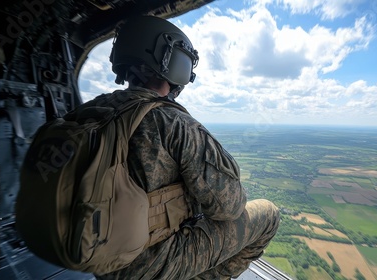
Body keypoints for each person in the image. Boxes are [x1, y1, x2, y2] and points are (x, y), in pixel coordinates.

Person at [95, 15, 280, 280]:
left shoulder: (91, 111)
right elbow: (230, 206)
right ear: (171, 61)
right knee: (269, 214)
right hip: (146, 266)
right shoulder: (173, 122)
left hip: (96, 256)